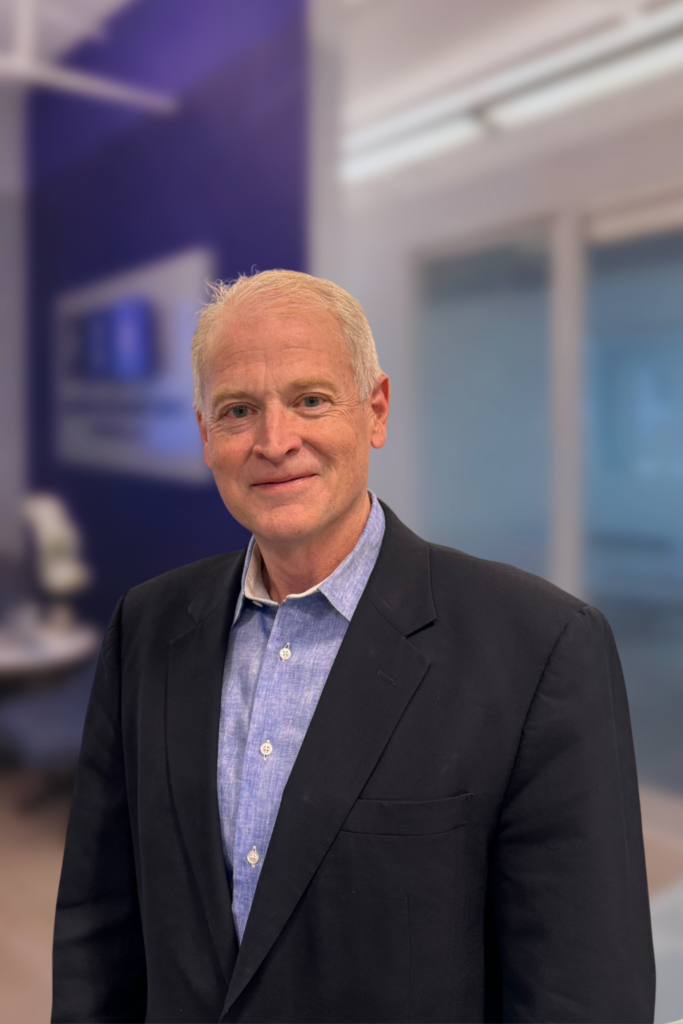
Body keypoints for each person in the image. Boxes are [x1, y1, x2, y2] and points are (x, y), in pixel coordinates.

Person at [52, 270, 655, 1024]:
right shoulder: (146, 625)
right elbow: (98, 926)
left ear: (375, 410)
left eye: (310, 400)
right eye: (239, 410)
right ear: (206, 437)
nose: (275, 442)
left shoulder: (540, 648)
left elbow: (583, 990)